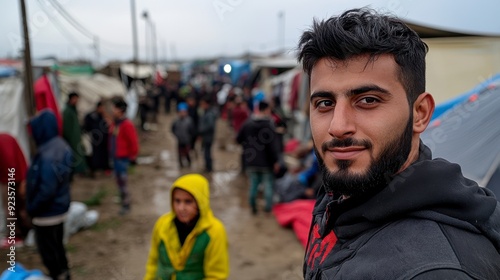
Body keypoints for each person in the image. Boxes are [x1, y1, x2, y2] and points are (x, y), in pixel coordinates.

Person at [298, 8, 500, 279]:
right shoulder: (340, 190)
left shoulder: (436, 270)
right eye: (324, 103)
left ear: (420, 114)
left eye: (368, 100)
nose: (338, 127)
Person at [144, 174, 229, 280]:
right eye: (177, 201)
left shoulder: (215, 231)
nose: (181, 208)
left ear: (201, 202)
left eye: (188, 201)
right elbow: (153, 262)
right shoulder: (162, 225)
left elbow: (216, 276)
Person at [26, 110, 72, 280]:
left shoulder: (47, 154)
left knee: (49, 251)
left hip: (47, 213)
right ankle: (64, 274)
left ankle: (58, 275)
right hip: (59, 209)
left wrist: (32, 207)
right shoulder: (60, 145)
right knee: (58, 247)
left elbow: (46, 189)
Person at [236, 101, 280, 214]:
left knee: (253, 185)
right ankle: (267, 209)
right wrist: (275, 161)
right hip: (266, 163)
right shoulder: (269, 125)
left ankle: (253, 207)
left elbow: (238, 139)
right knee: (268, 186)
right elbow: (273, 146)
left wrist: (248, 146)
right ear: (266, 110)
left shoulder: (248, 123)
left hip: (251, 161)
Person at [0, 133, 31, 247]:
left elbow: (9, 162)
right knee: (19, 207)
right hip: (16, 175)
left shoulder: (3, 140)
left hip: (11, 178)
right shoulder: (6, 137)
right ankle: (23, 233)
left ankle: (16, 236)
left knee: (11, 208)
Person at [110, 98, 139, 215]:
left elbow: (133, 142)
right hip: (116, 157)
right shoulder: (116, 123)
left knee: (123, 182)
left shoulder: (127, 124)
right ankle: (123, 201)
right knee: (119, 181)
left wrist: (133, 156)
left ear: (120, 110)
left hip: (122, 158)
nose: (113, 110)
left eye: (115, 108)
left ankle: (126, 204)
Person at [62, 92, 87, 179]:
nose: (76, 101)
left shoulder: (73, 110)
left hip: (76, 139)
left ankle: (79, 172)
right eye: (75, 99)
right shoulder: (68, 111)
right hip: (71, 140)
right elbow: (67, 128)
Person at [83, 101, 111, 177]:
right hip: (94, 141)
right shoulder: (91, 116)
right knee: (93, 156)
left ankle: (104, 169)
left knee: (103, 156)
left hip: (103, 141)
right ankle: (93, 170)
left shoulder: (104, 116)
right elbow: (87, 127)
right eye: (101, 107)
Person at [171, 102, 196, 168]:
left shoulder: (189, 121)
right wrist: (177, 135)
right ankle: (181, 165)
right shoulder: (176, 121)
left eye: (183, 112)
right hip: (179, 140)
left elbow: (192, 131)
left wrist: (191, 139)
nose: (182, 113)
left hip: (187, 140)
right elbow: (172, 129)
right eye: (180, 112)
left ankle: (189, 164)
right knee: (179, 153)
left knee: (187, 153)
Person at [198, 97, 218, 172]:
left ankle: (209, 168)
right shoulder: (206, 112)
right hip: (206, 136)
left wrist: (201, 130)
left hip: (208, 137)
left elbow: (210, 126)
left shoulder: (209, 114)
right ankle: (208, 166)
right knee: (206, 152)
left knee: (207, 152)